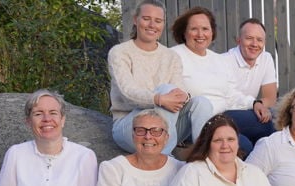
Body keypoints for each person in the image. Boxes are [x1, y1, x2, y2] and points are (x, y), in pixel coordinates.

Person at [108, 0, 212, 155]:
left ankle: (202, 157)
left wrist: (184, 95)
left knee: (202, 103)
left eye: (158, 21)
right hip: (130, 125)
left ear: (163, 24)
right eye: (146, 18)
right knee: (166, 90)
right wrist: (159, 100)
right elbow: (127, 93)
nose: (152, 25)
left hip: (166, 126)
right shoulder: (120, 52)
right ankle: (165, 159)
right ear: (136, 20)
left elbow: (179, 89)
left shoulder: (171, 56)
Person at [170, 7, 262, 156]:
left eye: (205, 29)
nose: (200, 34)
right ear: (184, 32)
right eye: (194, 29)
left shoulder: (219, 60)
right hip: (194, 123)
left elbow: (231, 94)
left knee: (265, 124)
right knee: (244, 145)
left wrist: (254, 103)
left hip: (223, 115)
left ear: (212, 32)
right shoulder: (174, 56)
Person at [223, 18, 278, 151]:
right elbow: (226, 100)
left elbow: (270, 98)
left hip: (250, 113)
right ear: (238, 40)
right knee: (267, 128)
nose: (255, 44)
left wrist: (259, 106)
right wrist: (256, 105)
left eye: (259, 40)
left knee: (268, 134)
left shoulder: (266, 58)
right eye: (249, 38)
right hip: (225, 114)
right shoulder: (224, 61)